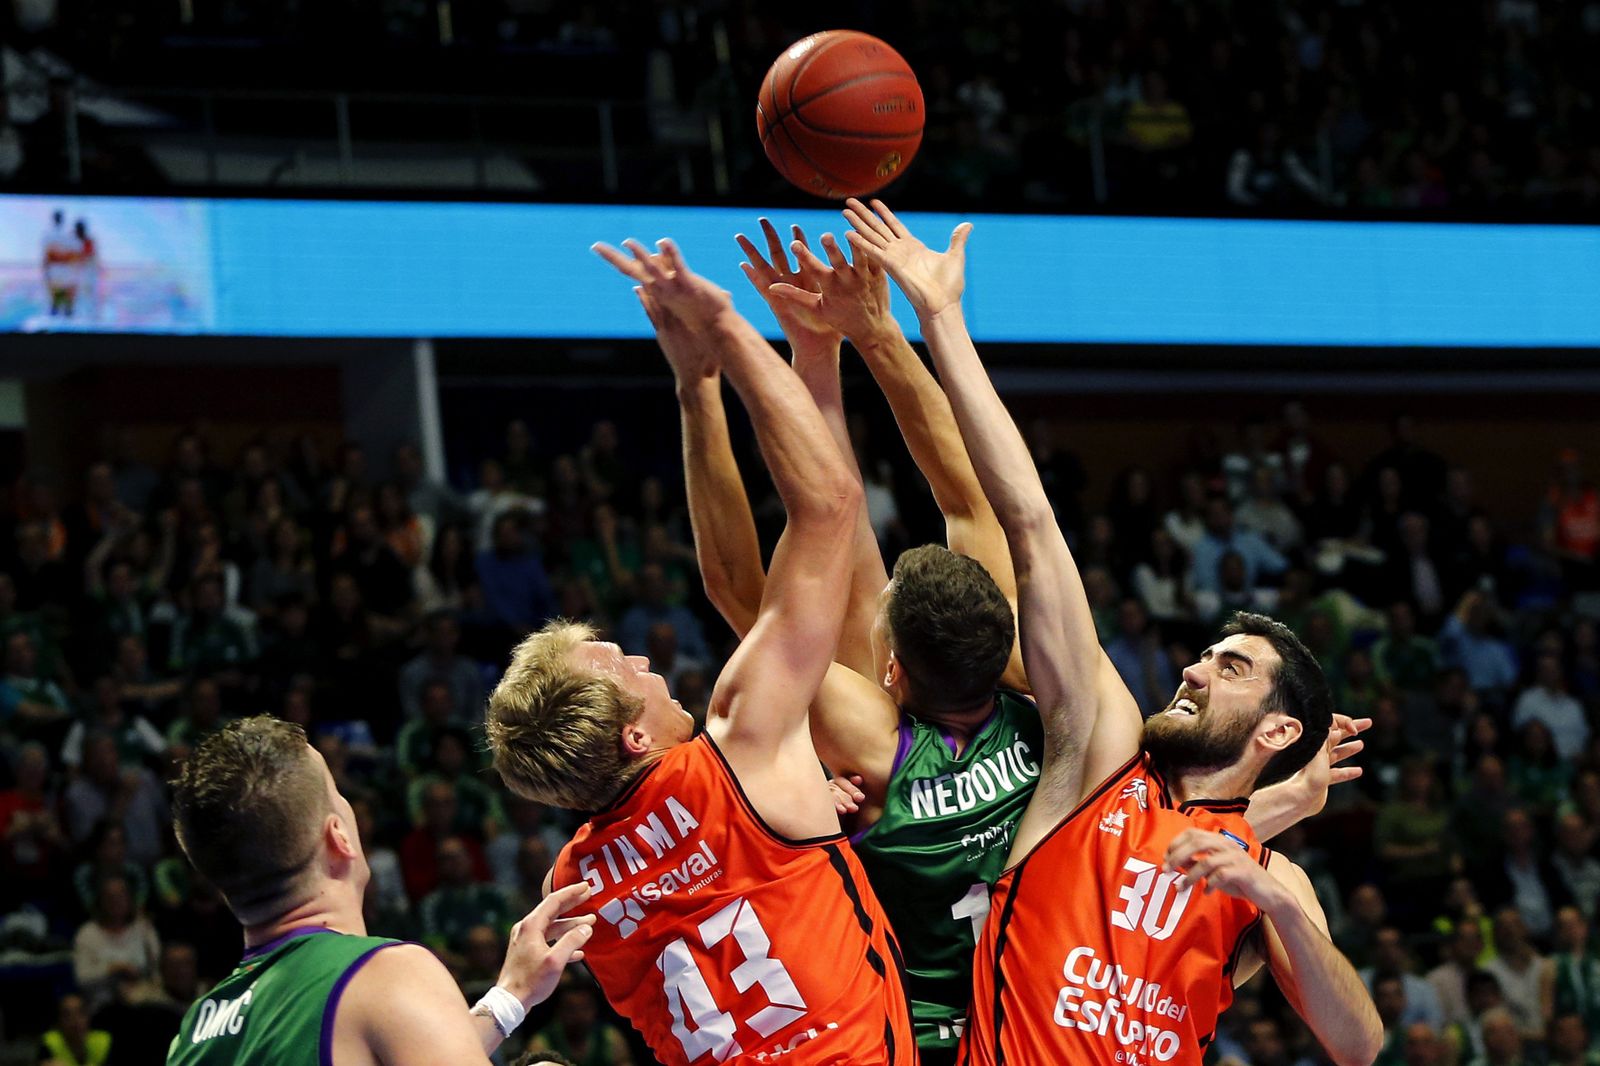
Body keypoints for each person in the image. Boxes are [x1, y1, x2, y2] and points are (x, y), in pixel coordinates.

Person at [686, 218, 1363, 1063]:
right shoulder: (1056, 740)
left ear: (890, 665)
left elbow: (791, 554)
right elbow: (979, 503)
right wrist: (879, 334)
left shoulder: (893, 746)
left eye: (1225, 666)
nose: (1192, 668)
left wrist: (761, 367)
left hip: (916, 1036)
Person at [488, 236, 915, 1065]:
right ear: (633, 737)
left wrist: (696, 390)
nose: (646, 663)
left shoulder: (571, 889)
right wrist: (722, 325)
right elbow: (828, 503)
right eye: (624, 670)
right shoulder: (738, 750)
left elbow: (732, 587)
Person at [165, 716, 593, 1064]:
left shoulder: (194, 1035)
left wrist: (509, 997)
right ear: (340, 837)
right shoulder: (386, 975)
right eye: (337, 794)